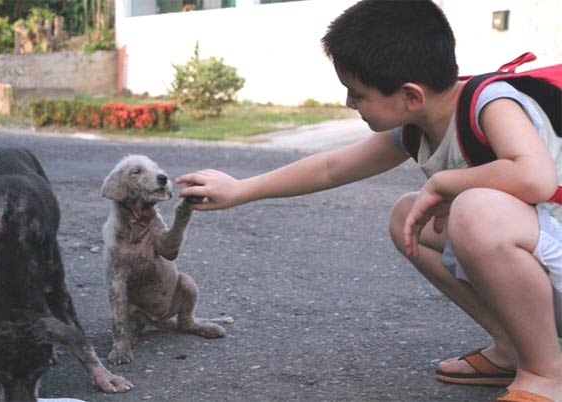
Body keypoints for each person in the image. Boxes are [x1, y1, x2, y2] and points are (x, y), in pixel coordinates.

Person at [176, 1, 562, 401]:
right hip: (545, 264)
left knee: (473, 211)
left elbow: (535, 178)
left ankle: (546, 374)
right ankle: (514, 348)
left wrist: (446, 183)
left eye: (357, 94)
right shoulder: (417, 124)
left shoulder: (491, 104)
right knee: (405, 216)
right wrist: (241, 189)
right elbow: (332, 167)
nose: (349, 103)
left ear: (411, 95)